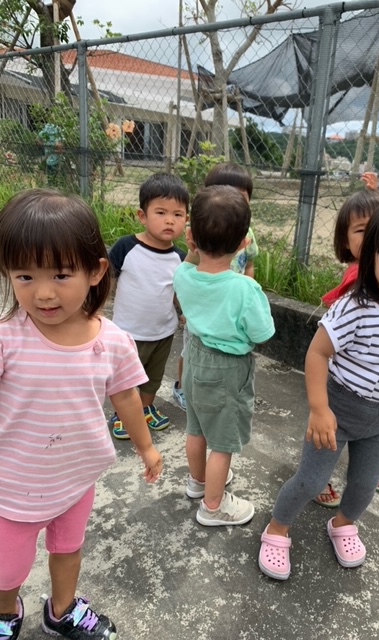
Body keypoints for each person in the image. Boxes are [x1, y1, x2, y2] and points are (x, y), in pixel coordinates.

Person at [258, 194, 379, 580]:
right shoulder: (356, 306)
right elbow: (317, 353)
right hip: (339, 410)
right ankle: (277, 528)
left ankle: (343, 524)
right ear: (371, 254)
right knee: (311, 480)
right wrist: (319, 409)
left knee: (364, 485)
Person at [0, 189, 162, 639]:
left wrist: (146, 447)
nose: (43, 292)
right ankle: (6, 613)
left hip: (75, 479)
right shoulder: (8, 339)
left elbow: (127, 399)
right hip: (12, 487)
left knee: (68, 549)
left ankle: (62, 609)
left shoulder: (112, 342)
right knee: (6, 569)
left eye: (61, 274)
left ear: (96, 271)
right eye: (25, 276)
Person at [173, 185, 275, 526]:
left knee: (196, 427)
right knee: (223, 442)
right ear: (244, 243)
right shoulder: (244, 288)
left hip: (194, 356)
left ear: (190, 237)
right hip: (227, 368)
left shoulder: (183, 274)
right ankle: (213, 507)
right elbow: (262, 334)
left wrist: (192, 250)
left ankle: (198, 482)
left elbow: (189, 265)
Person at [317, 189, 379, 507]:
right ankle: (318, 478)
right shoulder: (358, 280)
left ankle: (368, 468)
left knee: (371, 432)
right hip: (346, 378)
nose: (374, 236)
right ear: (346, 240)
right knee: (329, 432)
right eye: (363, 230)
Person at [172, 162, 259, 411]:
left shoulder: (247, 235)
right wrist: (183, 309)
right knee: (190, 352)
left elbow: (249, 264)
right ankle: (184, 386)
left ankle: (214, 392)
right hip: (203, 307)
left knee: (219, 356)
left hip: (230, 304)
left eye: (240, 197)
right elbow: (185, 276)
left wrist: (250, 285)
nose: (230, 203)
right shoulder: (203, 234)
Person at [109, 173, 188, 439]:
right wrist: (94, 311)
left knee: (153, 377)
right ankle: (122, 414)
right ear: (142, 216)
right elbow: (109, 280)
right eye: (161, 212)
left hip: (163, 331)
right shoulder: (126, 247)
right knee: (126, 379)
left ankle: (145, 409)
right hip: (129, 332)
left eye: (177, 214)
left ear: (186, 219)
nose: (169, 220)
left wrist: (183, 313)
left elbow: (176, 291)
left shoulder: (180, 258)